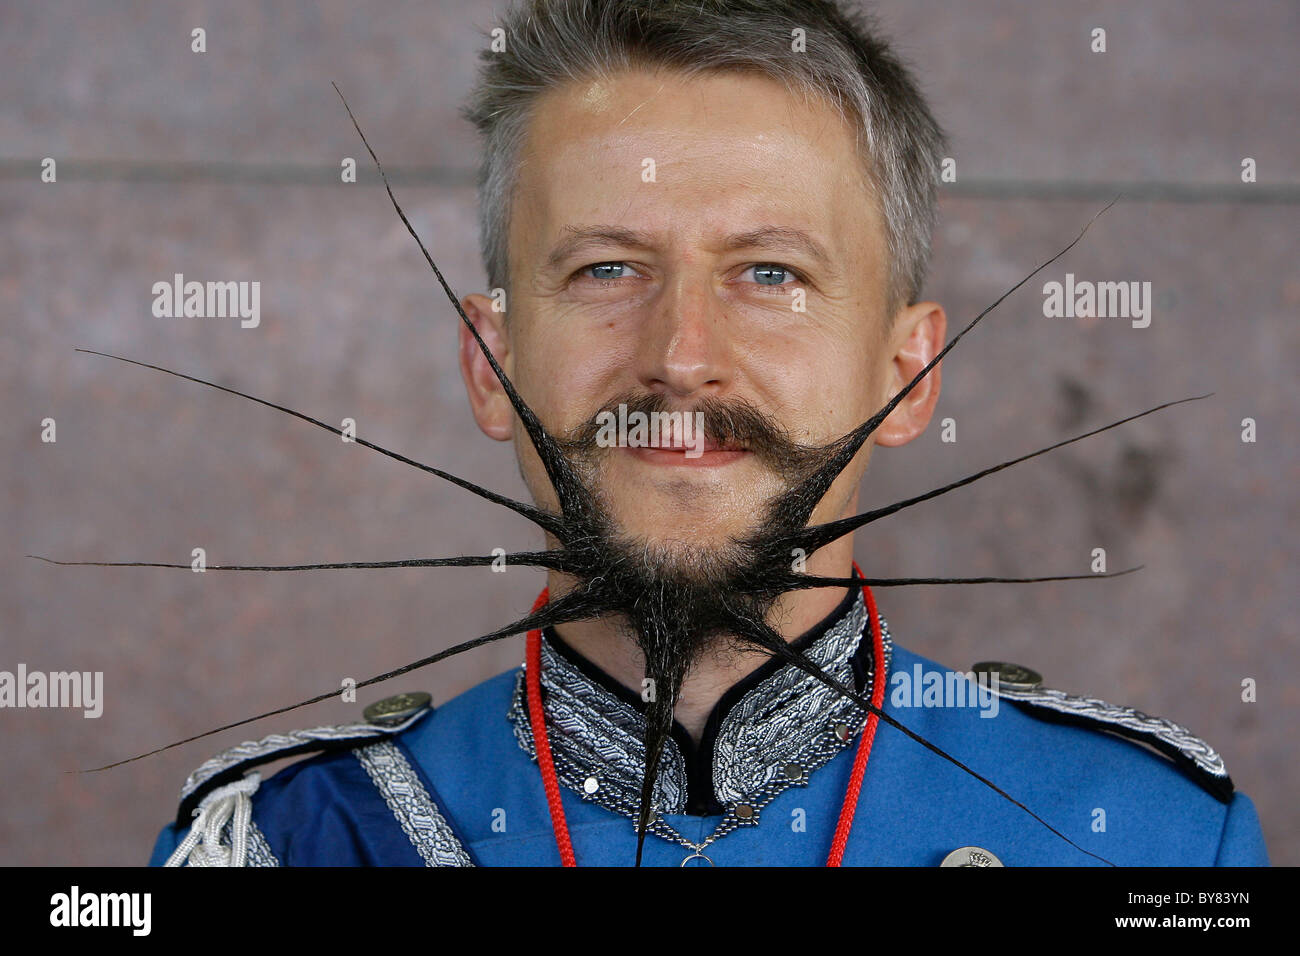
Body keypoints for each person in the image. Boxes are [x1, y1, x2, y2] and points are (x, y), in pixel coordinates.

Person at [148, 0, 1268, 867]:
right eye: (606, 268)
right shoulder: (291, 841)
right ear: (489, 364)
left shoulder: (1148, 836)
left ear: (907, 370)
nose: (681, 354)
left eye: (769, 272)